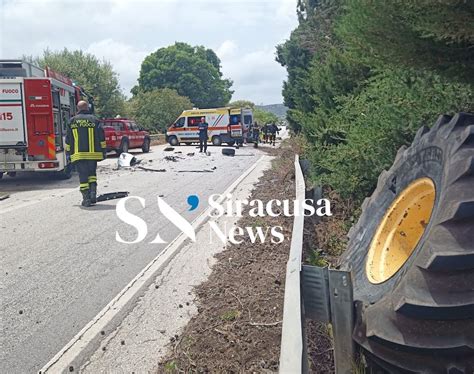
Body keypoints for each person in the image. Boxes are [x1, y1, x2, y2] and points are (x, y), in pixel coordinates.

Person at [65, 101, 106, 207]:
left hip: (79, 155)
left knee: (83, 177)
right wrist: (103, 150)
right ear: (87, 107)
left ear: (77, 108)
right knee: (92, 174)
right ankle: (93, 194)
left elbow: (68, 139)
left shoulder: (72, 121)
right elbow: (102, 136)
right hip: (93, 155)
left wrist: (68, 153)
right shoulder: (95, 120)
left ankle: (86, 199)